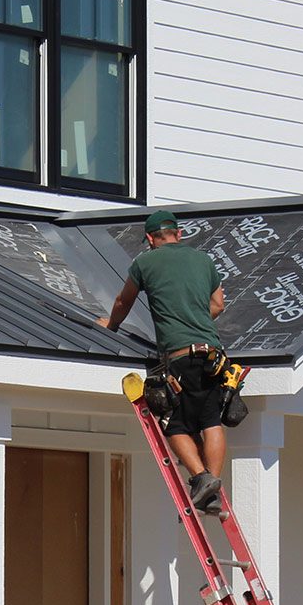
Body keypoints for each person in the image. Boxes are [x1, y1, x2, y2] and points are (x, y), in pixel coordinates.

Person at [97, 210, 227, 513]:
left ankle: (201, 477)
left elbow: (122, 301)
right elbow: (218, 304)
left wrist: (112, 326)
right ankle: (213, 487)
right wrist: (194, 319)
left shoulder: (145, 262)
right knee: (211, 421)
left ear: (151, 239)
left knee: (172, 421)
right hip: (213, 354)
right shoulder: (204, 260)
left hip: (180, 356)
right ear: (179, 234)